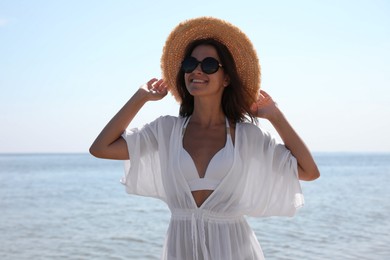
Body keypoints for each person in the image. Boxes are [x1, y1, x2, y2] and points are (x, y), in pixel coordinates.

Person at [90, 17, 320, 260]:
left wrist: (275, 116)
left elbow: (308, 171)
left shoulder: (246, 136)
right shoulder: (166, 131)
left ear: (227, 78)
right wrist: (139, 97)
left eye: (209, 64)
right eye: (190, 63)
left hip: (236, 251)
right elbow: (101, 148)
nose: (197, 70)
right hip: (181, 250)